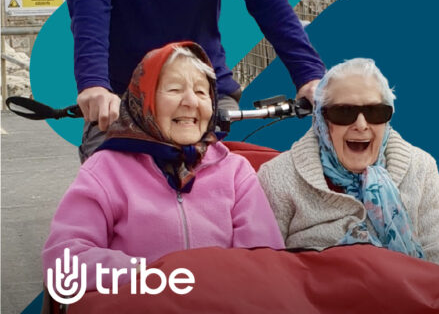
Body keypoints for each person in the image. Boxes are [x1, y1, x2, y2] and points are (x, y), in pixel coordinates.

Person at [42, 42, 285, 290]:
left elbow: (264, 257)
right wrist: (150, 275)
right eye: (174, 89)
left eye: (202, 92)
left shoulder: (235, 171)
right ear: (143, 100)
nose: (191, 101)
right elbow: (64, 263)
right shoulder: (105, 171)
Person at [61, 0, 326, 161]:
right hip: (124, 95)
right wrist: (93, 83)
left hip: (201, 89)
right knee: (106, 188)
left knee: (227, 190)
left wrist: (309, 74)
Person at [258, 58, 439, 268]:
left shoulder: (421, 167)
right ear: (322, 121)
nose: (361, 125)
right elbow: (268, 270)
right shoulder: (277, 176)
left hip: (408, 294)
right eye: (344, 112)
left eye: (375, 112)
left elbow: (437, 256)